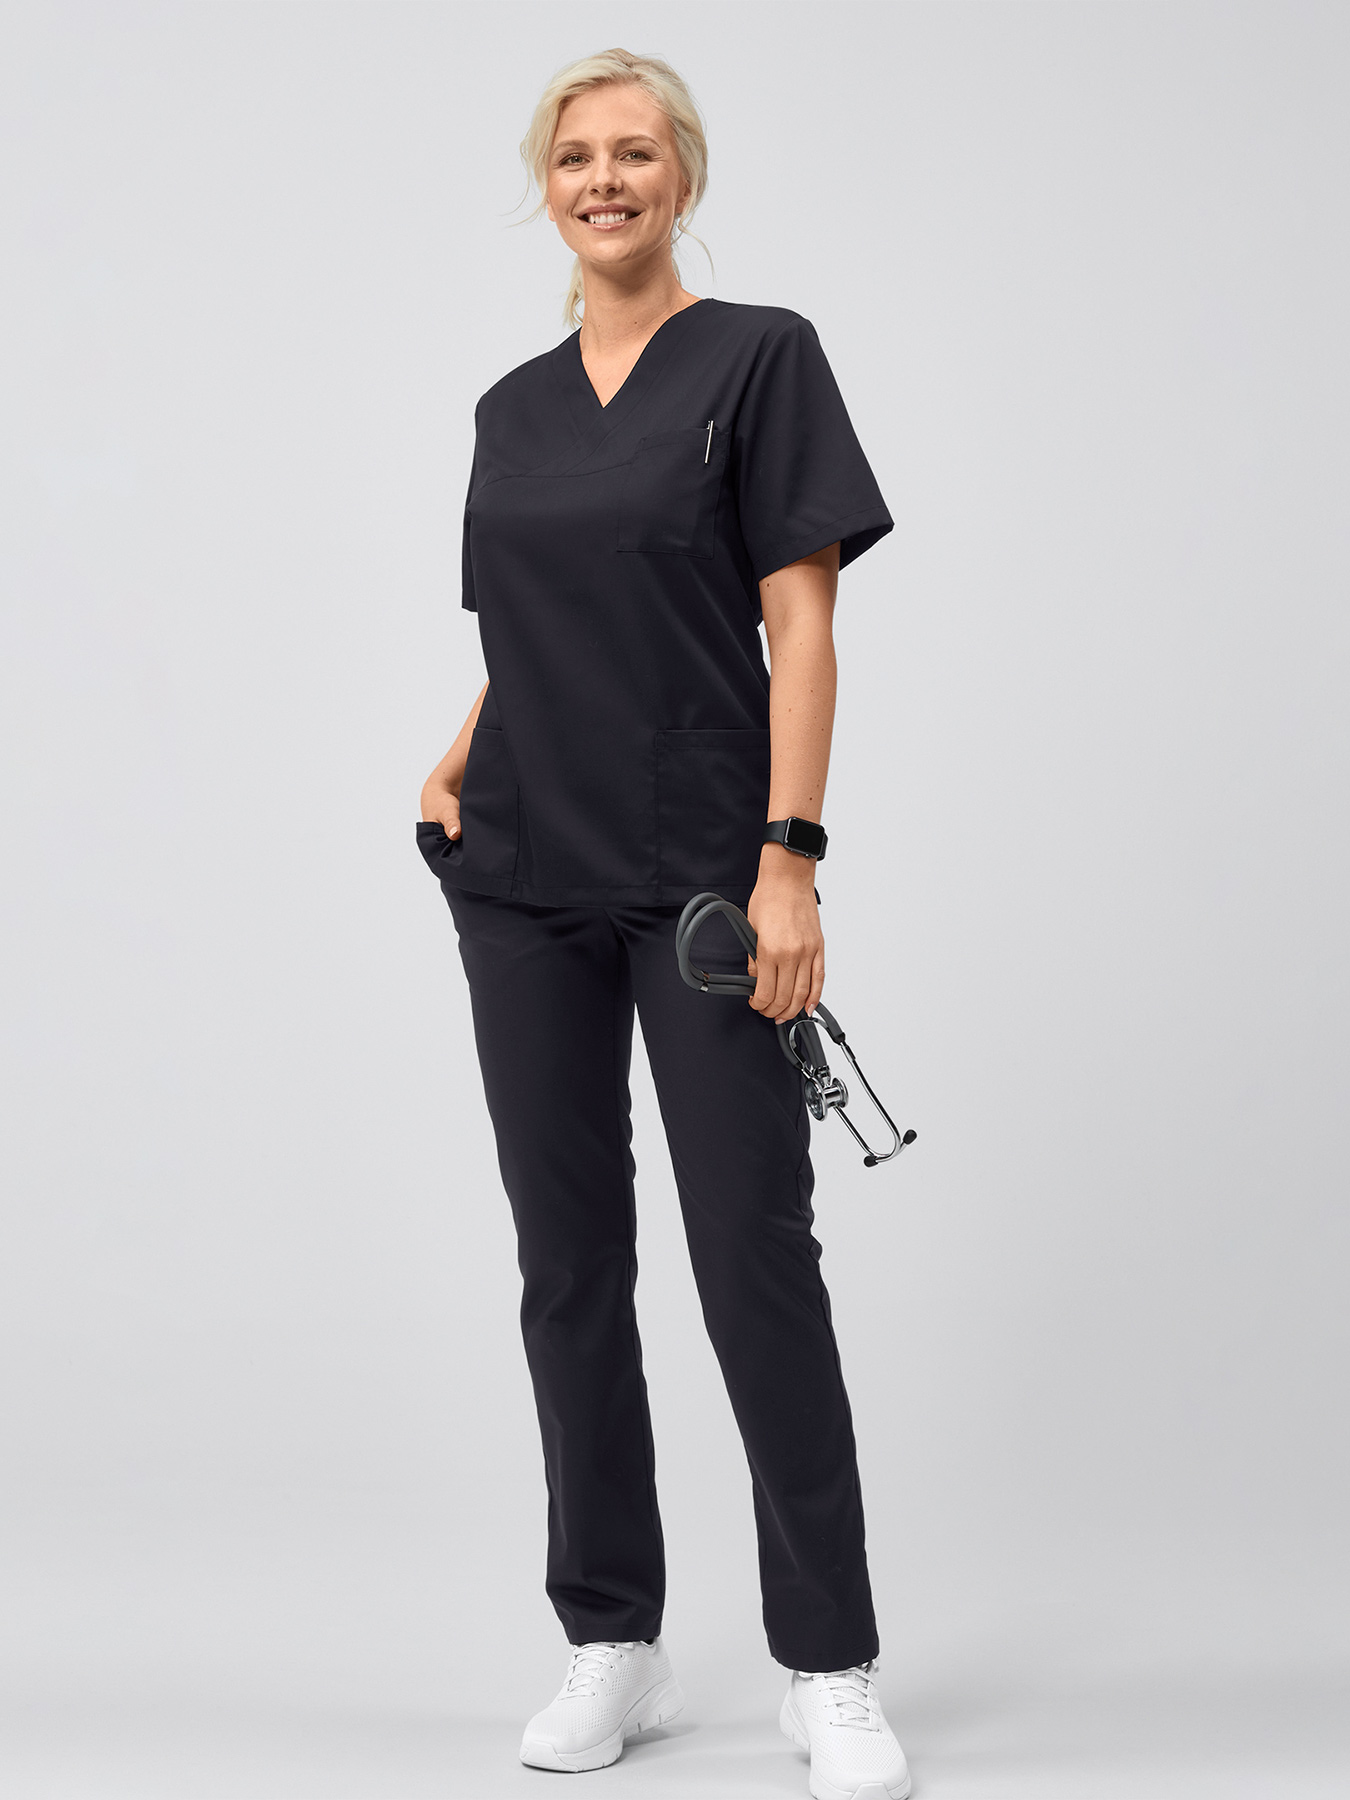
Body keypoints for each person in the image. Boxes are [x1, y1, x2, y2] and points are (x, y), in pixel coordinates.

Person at [418, 47, 910, 1800]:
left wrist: (790, 861)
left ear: (681, 177)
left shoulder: (759, 359)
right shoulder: (510, 408)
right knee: (569, 1268)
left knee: (749, 1256)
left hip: (703, 874)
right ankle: (611, 1638)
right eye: (575, 157)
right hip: (519, 869)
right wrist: (454, 757)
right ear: (545, 185)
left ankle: (827, 1664)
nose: (604, 180)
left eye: (635, 153)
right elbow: (530, 635)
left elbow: (801, 626)